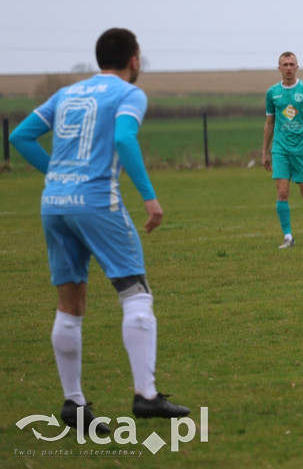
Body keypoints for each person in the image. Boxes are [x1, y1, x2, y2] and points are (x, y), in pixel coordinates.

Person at [10, 28, 190, 434]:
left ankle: (74, 404)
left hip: (54, 204)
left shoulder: (67, 94)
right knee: (135, 293)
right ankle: (146, 395)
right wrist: (149, 196)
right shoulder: (129, 94)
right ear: (134, 59)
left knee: (70, 302)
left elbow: (19, 136)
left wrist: (57, 174)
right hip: (96, 202)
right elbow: (125, 138)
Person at [262, 51, 303, 249]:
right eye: (285, 64)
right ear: (279, 68)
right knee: (282, 192)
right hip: (280, 149)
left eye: (292, 64)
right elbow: (269, 122)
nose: (289, 68)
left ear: (297, 67)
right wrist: (265, 151)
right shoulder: (272, 93)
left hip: (302, 151)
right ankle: (288, 237)